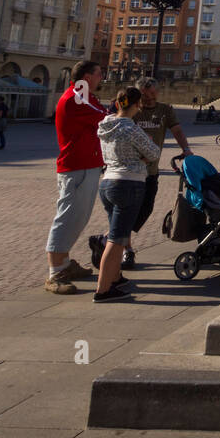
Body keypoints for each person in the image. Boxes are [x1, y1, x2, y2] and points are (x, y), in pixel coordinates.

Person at [94, 86, 161, 301]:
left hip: (107, 182)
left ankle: (114, 278)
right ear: (136, 105)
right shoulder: (130, 128)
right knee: (117, 239)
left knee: (117, 234)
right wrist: (142, 154)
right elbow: (153, 153)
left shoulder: (105, 125)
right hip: (128, 183)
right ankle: (103, 290)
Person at [44, 61, 105, 294]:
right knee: (68, 216)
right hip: (76, 166)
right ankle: (55, 272)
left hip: (87, 164)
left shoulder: (86, 97)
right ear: (87, 76)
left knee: (79, 216)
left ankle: (65, 263)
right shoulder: (76, 98)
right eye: (99, 73)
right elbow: (105, 117)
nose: (102, 78)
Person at [124, 78, 192, 267]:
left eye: (152, 94)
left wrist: (186, 149)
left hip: (151, 171)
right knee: (127, 211)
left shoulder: (165, 110)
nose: (149, 99)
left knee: (146, 209)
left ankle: (112, 236)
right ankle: (126, 249)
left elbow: (177, 130)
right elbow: (116, 118)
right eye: (145, 95)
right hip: (130, 172)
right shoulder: (130, 109)